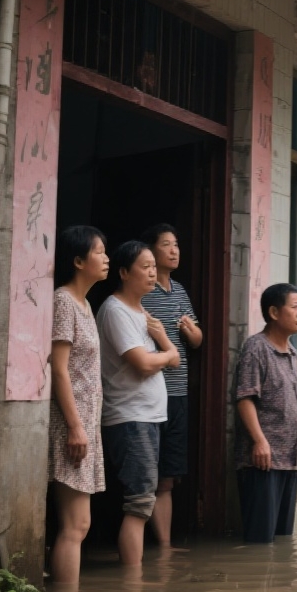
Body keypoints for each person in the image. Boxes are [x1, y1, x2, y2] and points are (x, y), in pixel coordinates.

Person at [96, 241, 180, 566]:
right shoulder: (116, 310)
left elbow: (169, 359)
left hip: (147, 418)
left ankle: (134, 585)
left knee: (141, 501)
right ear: (123, 272)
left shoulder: (141, 311)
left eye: (153, 267)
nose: (152, 272)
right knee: (139, 504)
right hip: (131, 418)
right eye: (145, 266)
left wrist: (164, 347)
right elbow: (143, 364)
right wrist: (167, 354)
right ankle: (133, 590)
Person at [48, 226, 110, 583]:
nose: (105, 258)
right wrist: (74, 426)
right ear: (77, 260)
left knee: (79, 525)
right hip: (71, 425)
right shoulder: (63, 301)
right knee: (76, 525)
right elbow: (58, 369)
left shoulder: (85, 304)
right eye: (99, 252)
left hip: (85, 425)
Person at [234, 283, 297, 544]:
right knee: (260, 541)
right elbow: (245, 397)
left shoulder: (291, 352)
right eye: (295, 307)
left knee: (282, 539)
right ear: (274, 312)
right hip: (263, 461)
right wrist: (259, 441)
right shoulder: (256, 348)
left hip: (289, 459)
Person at [140, 224, 203, 546]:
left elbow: (197, 340)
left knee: (167, 478)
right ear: (151, 251)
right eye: (167, 244)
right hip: (149, 394)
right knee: (145, 475)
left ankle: (164, 549)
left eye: (176, 244)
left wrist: (191, 331)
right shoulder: (141, 293)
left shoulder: (179, 291)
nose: (175, 250)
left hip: (177, 394)